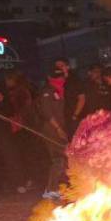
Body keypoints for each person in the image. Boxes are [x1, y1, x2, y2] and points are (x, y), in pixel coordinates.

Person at [36, 69, 68, 200]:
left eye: (61, 77)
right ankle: (50, 190)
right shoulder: (46, 92)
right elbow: (47, 113)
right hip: (51, 129)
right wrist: (58, 129)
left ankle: (55, 187)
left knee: (63, 157)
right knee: (58, 158)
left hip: (59, 128)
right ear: (50, 78)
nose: (60, 79)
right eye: (57, 77)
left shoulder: (58, 91)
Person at [54, 58, 86, 136]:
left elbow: (82, 99)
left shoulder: (75, 80)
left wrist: (75, 115)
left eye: (61, 65)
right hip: (65, 117)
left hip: (75, 117)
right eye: (57, 66)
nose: (59, 68)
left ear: (67, 67)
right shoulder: (57, 81)